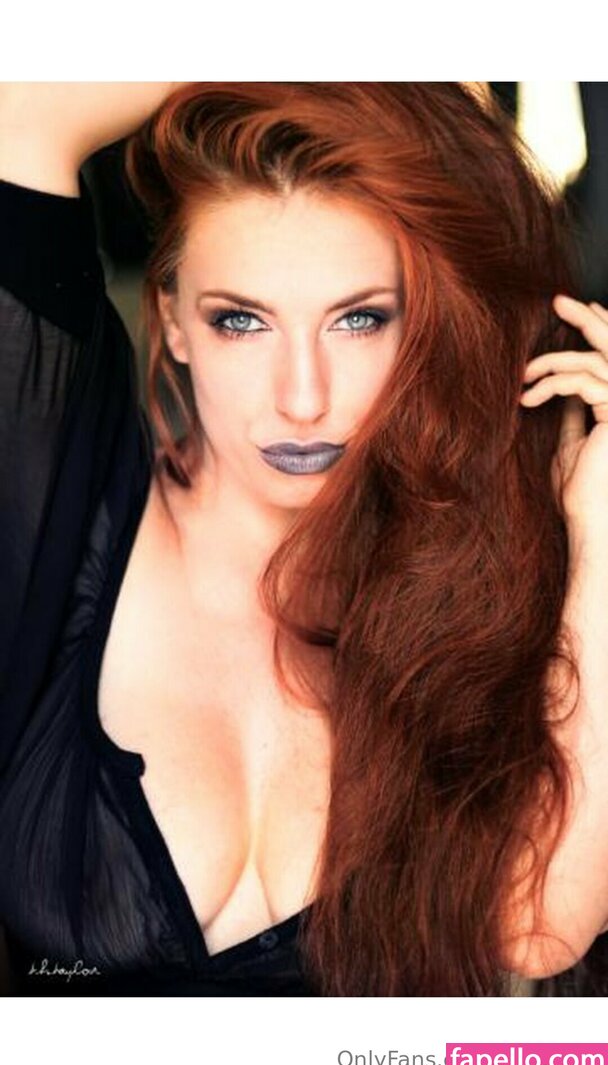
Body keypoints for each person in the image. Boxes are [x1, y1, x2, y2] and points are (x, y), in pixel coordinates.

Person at [1, 81, 608, 998]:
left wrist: (597, 540)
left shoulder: (474, 581)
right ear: (174, 319)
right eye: (240, 320)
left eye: (360, 319)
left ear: (425, 325)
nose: (302, 398)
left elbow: (537, 929)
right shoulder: (68, 499)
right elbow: (20, 113)